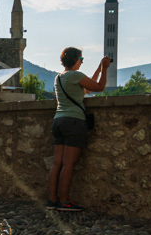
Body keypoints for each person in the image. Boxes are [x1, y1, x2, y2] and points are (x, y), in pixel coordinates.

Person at [46, 47, 110, 212]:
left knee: (56, 163)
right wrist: (106, 69)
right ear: (76, 59)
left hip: (58, 121)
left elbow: (88, 87)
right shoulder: (76, 76)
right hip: (74, 121)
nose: (82, 61)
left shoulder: (59, 77)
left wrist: (99, 68)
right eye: (81, 58)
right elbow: (99, 87)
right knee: (68, 164)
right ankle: (65, 201)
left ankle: (52, 200)